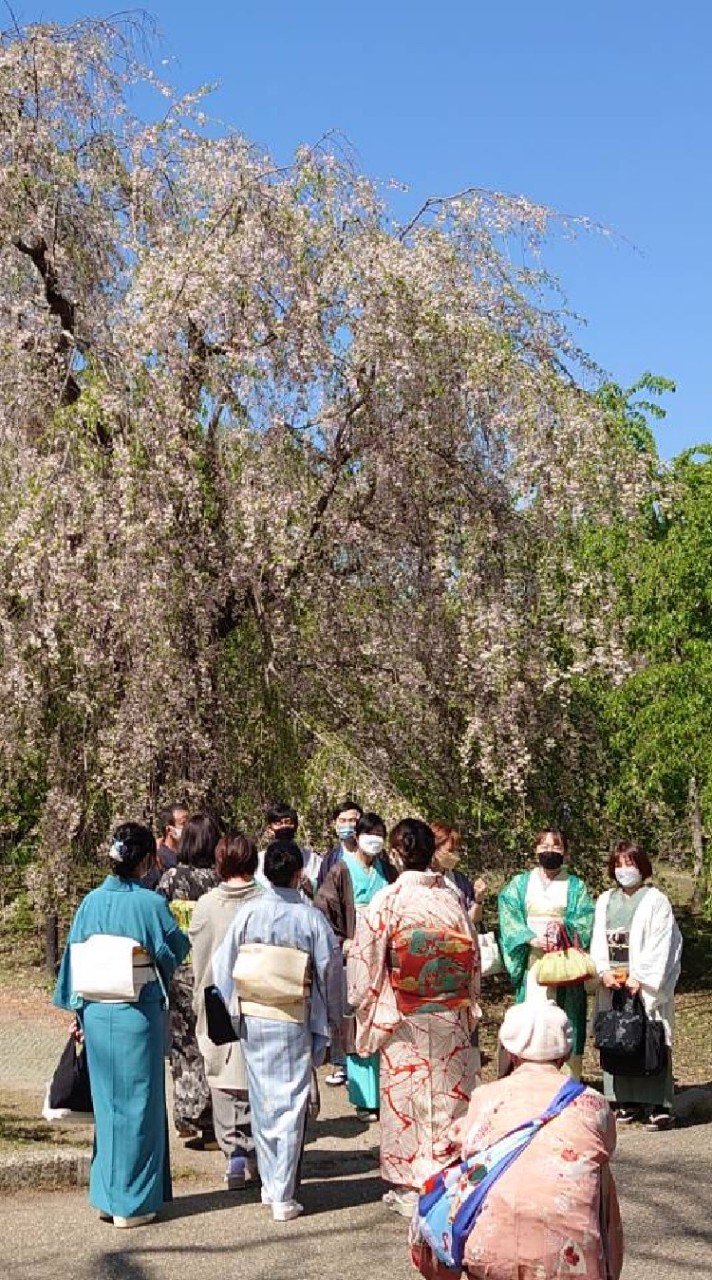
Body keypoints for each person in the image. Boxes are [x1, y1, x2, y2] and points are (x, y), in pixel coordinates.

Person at [414, 1002, 622, 1280]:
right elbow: (605, 1148)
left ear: (510, 1052)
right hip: (568, 1256)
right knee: (599, 1173)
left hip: (488, 1250)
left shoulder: (485, 1097)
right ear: (566, 1053)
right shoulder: (593, 1103)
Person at [53, 823, 190, 1228]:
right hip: (136, 1011)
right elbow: (174, 949)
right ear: (147, 860)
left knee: (109, 1104)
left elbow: (73, 962)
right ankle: (132, 1201)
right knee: (139, 1105)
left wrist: (78, 1011)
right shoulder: (150, 904)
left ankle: (107, 1194)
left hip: (97, 1011)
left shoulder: (90, 902)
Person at [348, 818, 481, 1218]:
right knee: (445, 1098)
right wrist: (467, 1000)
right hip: (448, 1014)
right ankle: (446, 1179)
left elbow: (367, 963)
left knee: (406, 1100)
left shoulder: (387, 901)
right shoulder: (452, 899)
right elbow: (471, 956)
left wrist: (365, 1001)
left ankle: (408, 1187)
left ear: (396, 853)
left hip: (404, 1014)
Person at [212, 839, 341, 1221]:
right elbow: (330, 971)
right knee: (289, 1103)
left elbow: (224, 967)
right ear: (299, 874)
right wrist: (333, 1016)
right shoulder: (309, 917)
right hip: (292, 1016)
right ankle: (281, 1193)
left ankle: (272, 1185)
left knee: (264, 1101)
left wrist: (234, 1009)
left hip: (253, 1016)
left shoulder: (249, 914)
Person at [590, 839, 683, 1130]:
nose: (623, 870)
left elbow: (663, 942)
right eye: (618, 865)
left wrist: (640, 976)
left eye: (629, 864)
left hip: (641, 978)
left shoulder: (656, 900)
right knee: (616, 1036)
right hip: (613, 979)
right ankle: (625, 1101)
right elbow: (596, 939)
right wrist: (603, 971)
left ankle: (658, 1105)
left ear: (642, 867)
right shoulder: (605, 899)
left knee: (649, 1036)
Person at [188, 830, 263, 1189]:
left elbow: (198, 958)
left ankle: (234, 1152)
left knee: (222, 1076)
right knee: (258, 1076)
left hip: (217, 999)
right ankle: (262, 1153)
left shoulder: (207, 905)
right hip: (261, 1000)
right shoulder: (267, 900)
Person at [315, 810, 396, 1119]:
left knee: (384, 1019)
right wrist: (342, 943)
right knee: (357, 1022)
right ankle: (363, 1097)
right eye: (369, 833)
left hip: (384, 955)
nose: (374, 840)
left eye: (380, 834)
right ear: (359, 837)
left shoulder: (388, 871)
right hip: (354, 955)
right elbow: (323, 912)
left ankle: (387, 1092)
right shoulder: (340, 871)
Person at [498, 829, 594, 1079]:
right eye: (544, 846)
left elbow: (584, 919)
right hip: (532, 958)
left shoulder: (575, 886)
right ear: (535, 850)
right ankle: (529, 1074)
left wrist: (561, 936)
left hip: (562, 958)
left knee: (566, 1016)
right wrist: (529, 938)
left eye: (556, 846)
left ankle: (568, 1077)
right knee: (533, 1013)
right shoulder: (520, 884)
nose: (549, 851)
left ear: (565, 852)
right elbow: (509, 915)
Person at [157, 812, 220, 1147]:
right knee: (215, 1042)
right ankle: (214, 1124)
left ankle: (186, 1114)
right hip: (214, 970)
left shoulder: (170, 879)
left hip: (181, 971)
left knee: (184, 1045)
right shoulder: (221, 880)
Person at [316, 798, 363, 1085]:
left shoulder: (373, 860)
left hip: (366, 938)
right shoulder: (331, 861)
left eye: (353, 820)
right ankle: (340, 1061)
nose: (349, 826)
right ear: (335, 825)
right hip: (340, 942)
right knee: (339, 1001)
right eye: (343, 821)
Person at [257, 802, 323, 898]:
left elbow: (325, 891)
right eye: (278, 823)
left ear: (295, 826)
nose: (284, 827)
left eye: (288, 822)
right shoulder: (259, 860)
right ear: (269, 829)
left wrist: (310, 885)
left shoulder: (313, 859)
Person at [430, 822, 487, 925]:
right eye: (450, 850)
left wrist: (478, 900)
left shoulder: (460, 880)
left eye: (456, 850)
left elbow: (473, 919)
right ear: (434, 849)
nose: (455, 855)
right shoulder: (421, 879)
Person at [141, 802, 189, 890]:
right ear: (169, 830)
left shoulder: (190, 855)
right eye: (184, 824)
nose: (189, 828)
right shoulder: (157, 860)